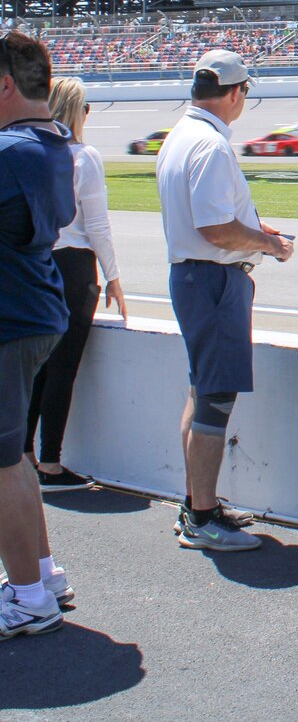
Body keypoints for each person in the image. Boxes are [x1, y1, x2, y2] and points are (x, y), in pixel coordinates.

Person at [157, 50, 295, 553]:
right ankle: (200, 517)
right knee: (215, 402)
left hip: (196, 277)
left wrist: (256, 232)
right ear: (236, 93)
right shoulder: (210, 145)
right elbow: (215, 228)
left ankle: (200, 502)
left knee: (201, 394)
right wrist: (268, 243)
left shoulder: (181, 136)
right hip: (214, 280)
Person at [0, 31, 78, 637]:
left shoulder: (10, 150)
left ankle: (29, 597)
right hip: (33, 311)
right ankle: (42, 577)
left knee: (2, 465)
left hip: (9, 319)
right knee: (15, 457)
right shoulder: (50, 141)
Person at [24, 78, 127, 491]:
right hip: (75, 267)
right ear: (75, 112)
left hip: (39, 263)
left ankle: (26, 453)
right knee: (63, 369)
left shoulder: (36, 155)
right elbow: (98, 225)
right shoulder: (84, 156)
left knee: (36, 367)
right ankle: (51, 462)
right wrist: (115, 275)